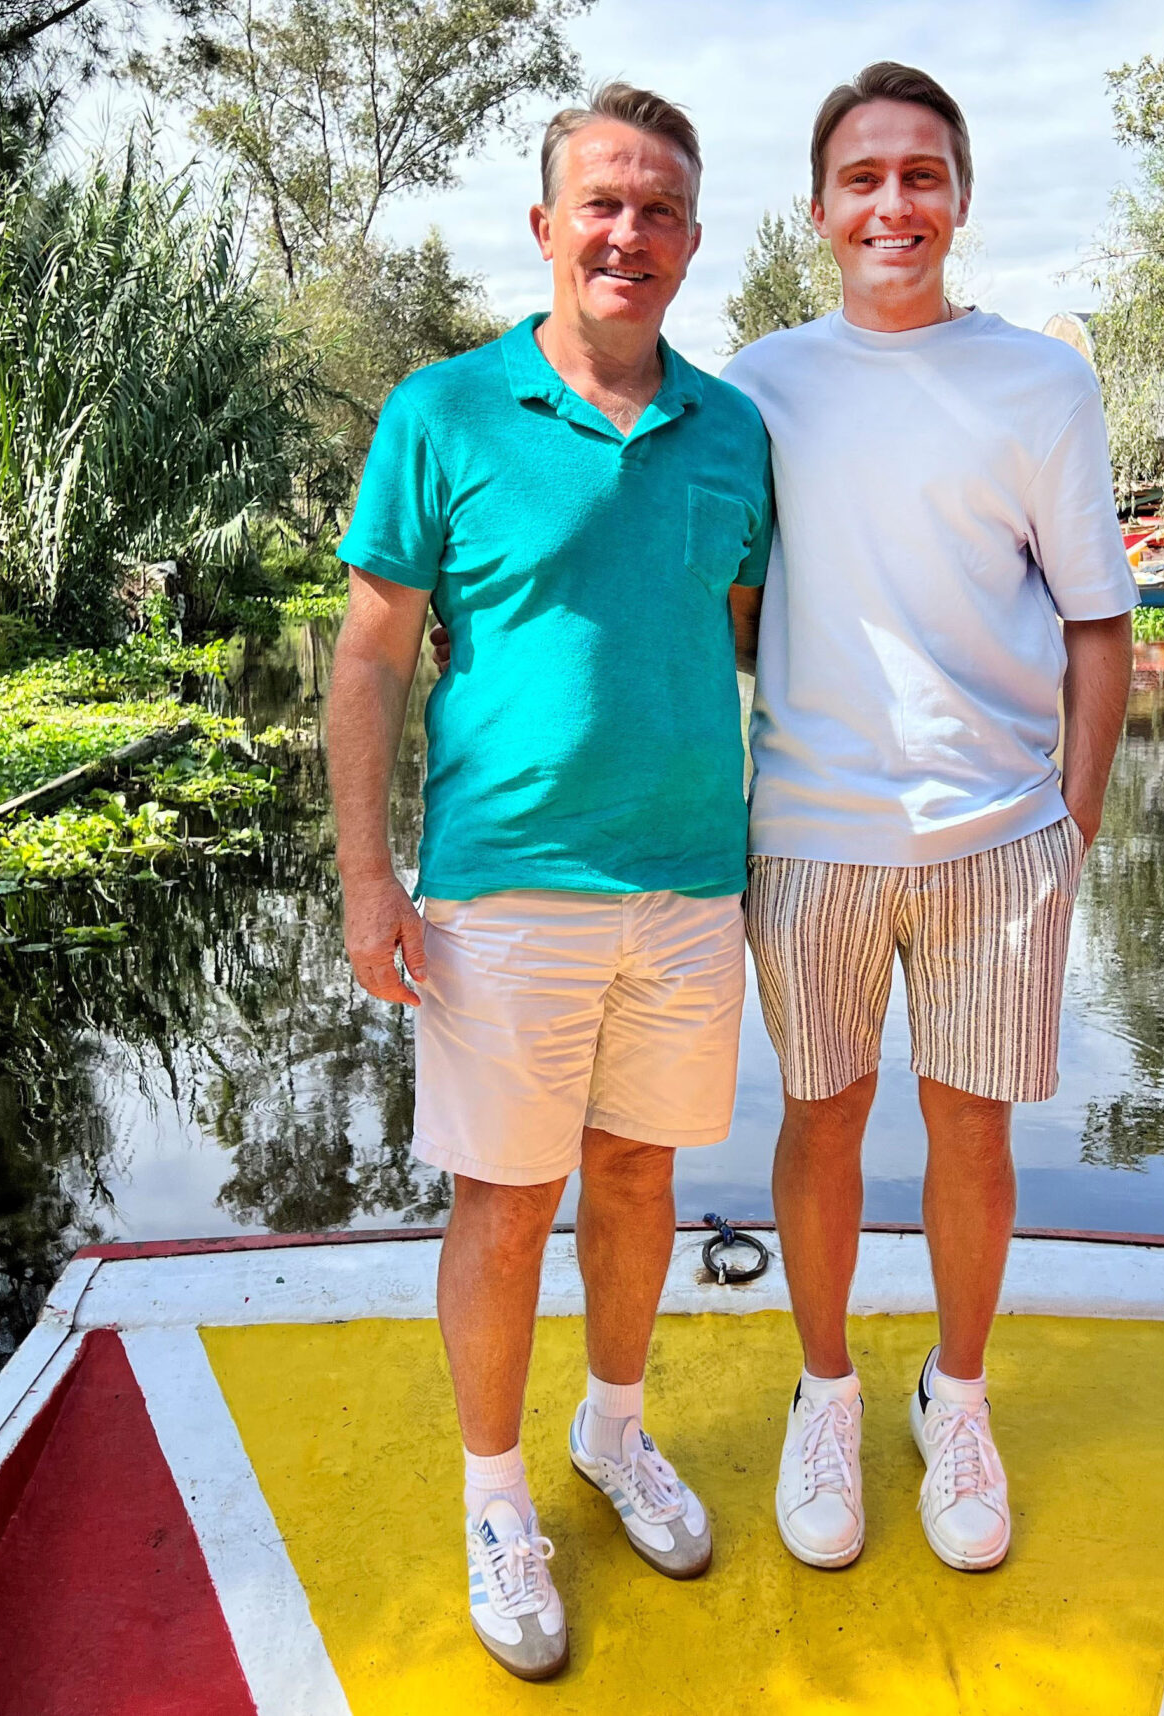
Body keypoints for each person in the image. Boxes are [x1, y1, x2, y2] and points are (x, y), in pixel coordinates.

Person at [324, 83, 771, 1680]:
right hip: (504, 887)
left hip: (687, 887)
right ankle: (497, 1495)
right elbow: (371, 658)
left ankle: (615, 1431)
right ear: (544, 226)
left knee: (641, 1182)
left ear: (693, 243)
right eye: (601, 203)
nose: (627, 234)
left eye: (657, 211)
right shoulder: (441, 415)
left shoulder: (733, 430)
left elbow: (750, 641)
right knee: (507, 1202)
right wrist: (370, 877)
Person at [722, 62, 1138, 1575]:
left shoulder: (1043, 382)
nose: (892, 204)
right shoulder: (757, 384)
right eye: (863, 178)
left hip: (996, 842)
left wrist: (1071, 825)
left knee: (972, 1130)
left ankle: (953, 1399)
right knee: (820, 1120)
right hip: (811, 837)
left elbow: (1100, 623)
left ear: (960, 196)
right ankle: (825, 1392)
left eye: (921, 175)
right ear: (820, 206)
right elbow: (734, 611)